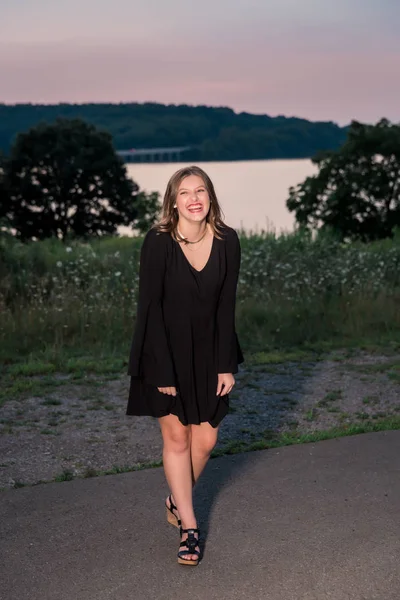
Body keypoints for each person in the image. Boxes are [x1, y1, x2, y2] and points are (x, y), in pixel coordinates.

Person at [126, 165, 244, 566]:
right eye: (185, 192)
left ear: (210, 197)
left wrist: (225, 364)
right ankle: (189, 528)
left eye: (201, 191)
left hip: (210, 352)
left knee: (207, 441)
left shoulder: (228, 240)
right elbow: (149, 309)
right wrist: (160, 371)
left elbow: (227, 305)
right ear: (173, 201)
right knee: (177, 440)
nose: (194, 198)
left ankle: (176, 499)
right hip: (164, 352)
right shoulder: (158, 242)